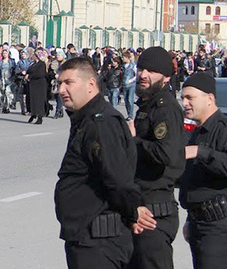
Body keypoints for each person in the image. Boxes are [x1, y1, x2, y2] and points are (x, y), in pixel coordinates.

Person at [55, 57, 156, 269]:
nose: (61, 89)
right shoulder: (86, 118)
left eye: (68, 83)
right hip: (87, 238)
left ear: (91, 84)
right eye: (59, 84)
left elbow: (117, 177)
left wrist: (133, 210)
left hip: (99, 242)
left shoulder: (101, 123)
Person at [180, 72, 227, 269]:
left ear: (210, 99)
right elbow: (195, 181)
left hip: (222, 223)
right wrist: (190, 219)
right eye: (183, 98)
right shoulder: (198, 132)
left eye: (190, 98)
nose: (185, 103)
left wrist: (201, 152)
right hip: (201, 221)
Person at [126, 47, 186, 269]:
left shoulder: (165, 108)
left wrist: (133, 141)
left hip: (155, 211)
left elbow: (166, 154)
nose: (143, 74)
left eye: (151, 70)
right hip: (141, 206)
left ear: (166, 77)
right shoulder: (148, 105)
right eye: (141, 68)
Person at [26, 48, 48, 124]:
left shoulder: (41, 64)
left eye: (35, 55)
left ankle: (40, 117)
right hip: (33, 85)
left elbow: (40, 74)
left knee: (39, 101)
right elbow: (28, 70)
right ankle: (33, 114)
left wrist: (30, 76)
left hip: (40, 84)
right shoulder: (33, 64)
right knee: (33, 100)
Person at [0, 48, 16, 113]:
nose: (4, 54)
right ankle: (2, 107)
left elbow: (15, 70)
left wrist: (15, 78)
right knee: (1, 94)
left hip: (9, 79)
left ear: (8, 54)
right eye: (3, 53)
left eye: (6, 53)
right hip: (2, 79)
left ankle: (8, 107)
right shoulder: (0, 62)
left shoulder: (11, 62)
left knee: (8, 92)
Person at [121, 51, 137, 120]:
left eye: (123, 57)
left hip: (131, 85)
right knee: (126, 100)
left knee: (130, 100)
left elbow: (136, 75)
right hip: (124, 85)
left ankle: (131, 115)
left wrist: (131, 80)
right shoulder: (123, 66)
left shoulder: (133, 65)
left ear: (127, 58)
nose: (122, 59)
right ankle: (128, 114)